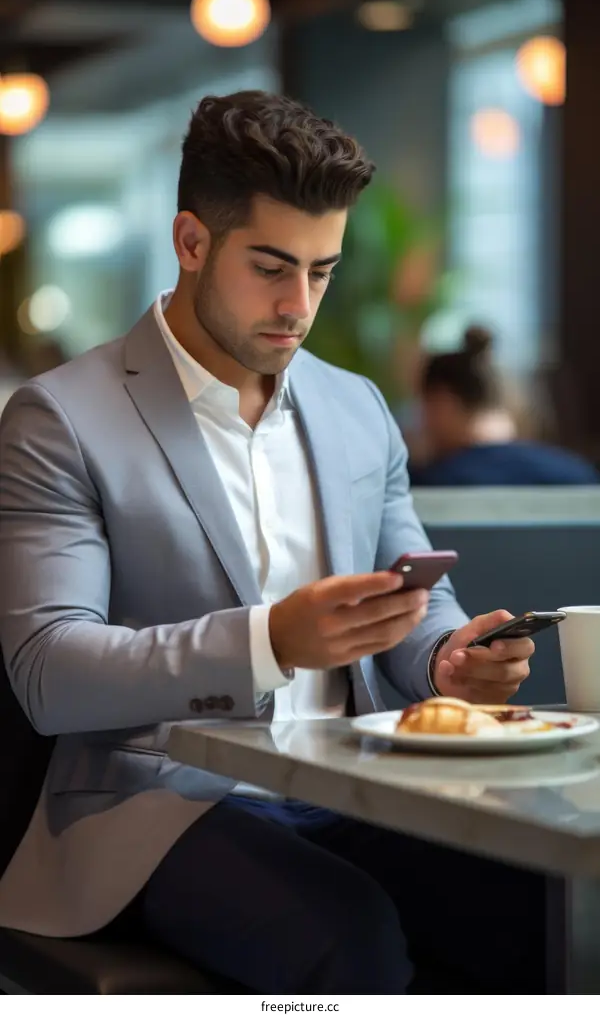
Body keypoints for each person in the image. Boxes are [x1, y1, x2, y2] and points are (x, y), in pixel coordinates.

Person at [0, 92, 545, 994]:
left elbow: (410, 601)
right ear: (191, 242)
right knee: (351, 937)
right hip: (157, 804)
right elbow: (51, 671)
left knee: (537, 907)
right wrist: (270, 641)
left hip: (355, 783)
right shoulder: (59, 418)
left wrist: (445, 658)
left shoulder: (356, 408)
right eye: (271, 267)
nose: (299, 306)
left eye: (322, 272)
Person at [411, 327, 599, 487]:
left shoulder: (435, 482)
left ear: (442, 404)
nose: (421, 422)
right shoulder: (576, 475)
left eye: (424, 407)